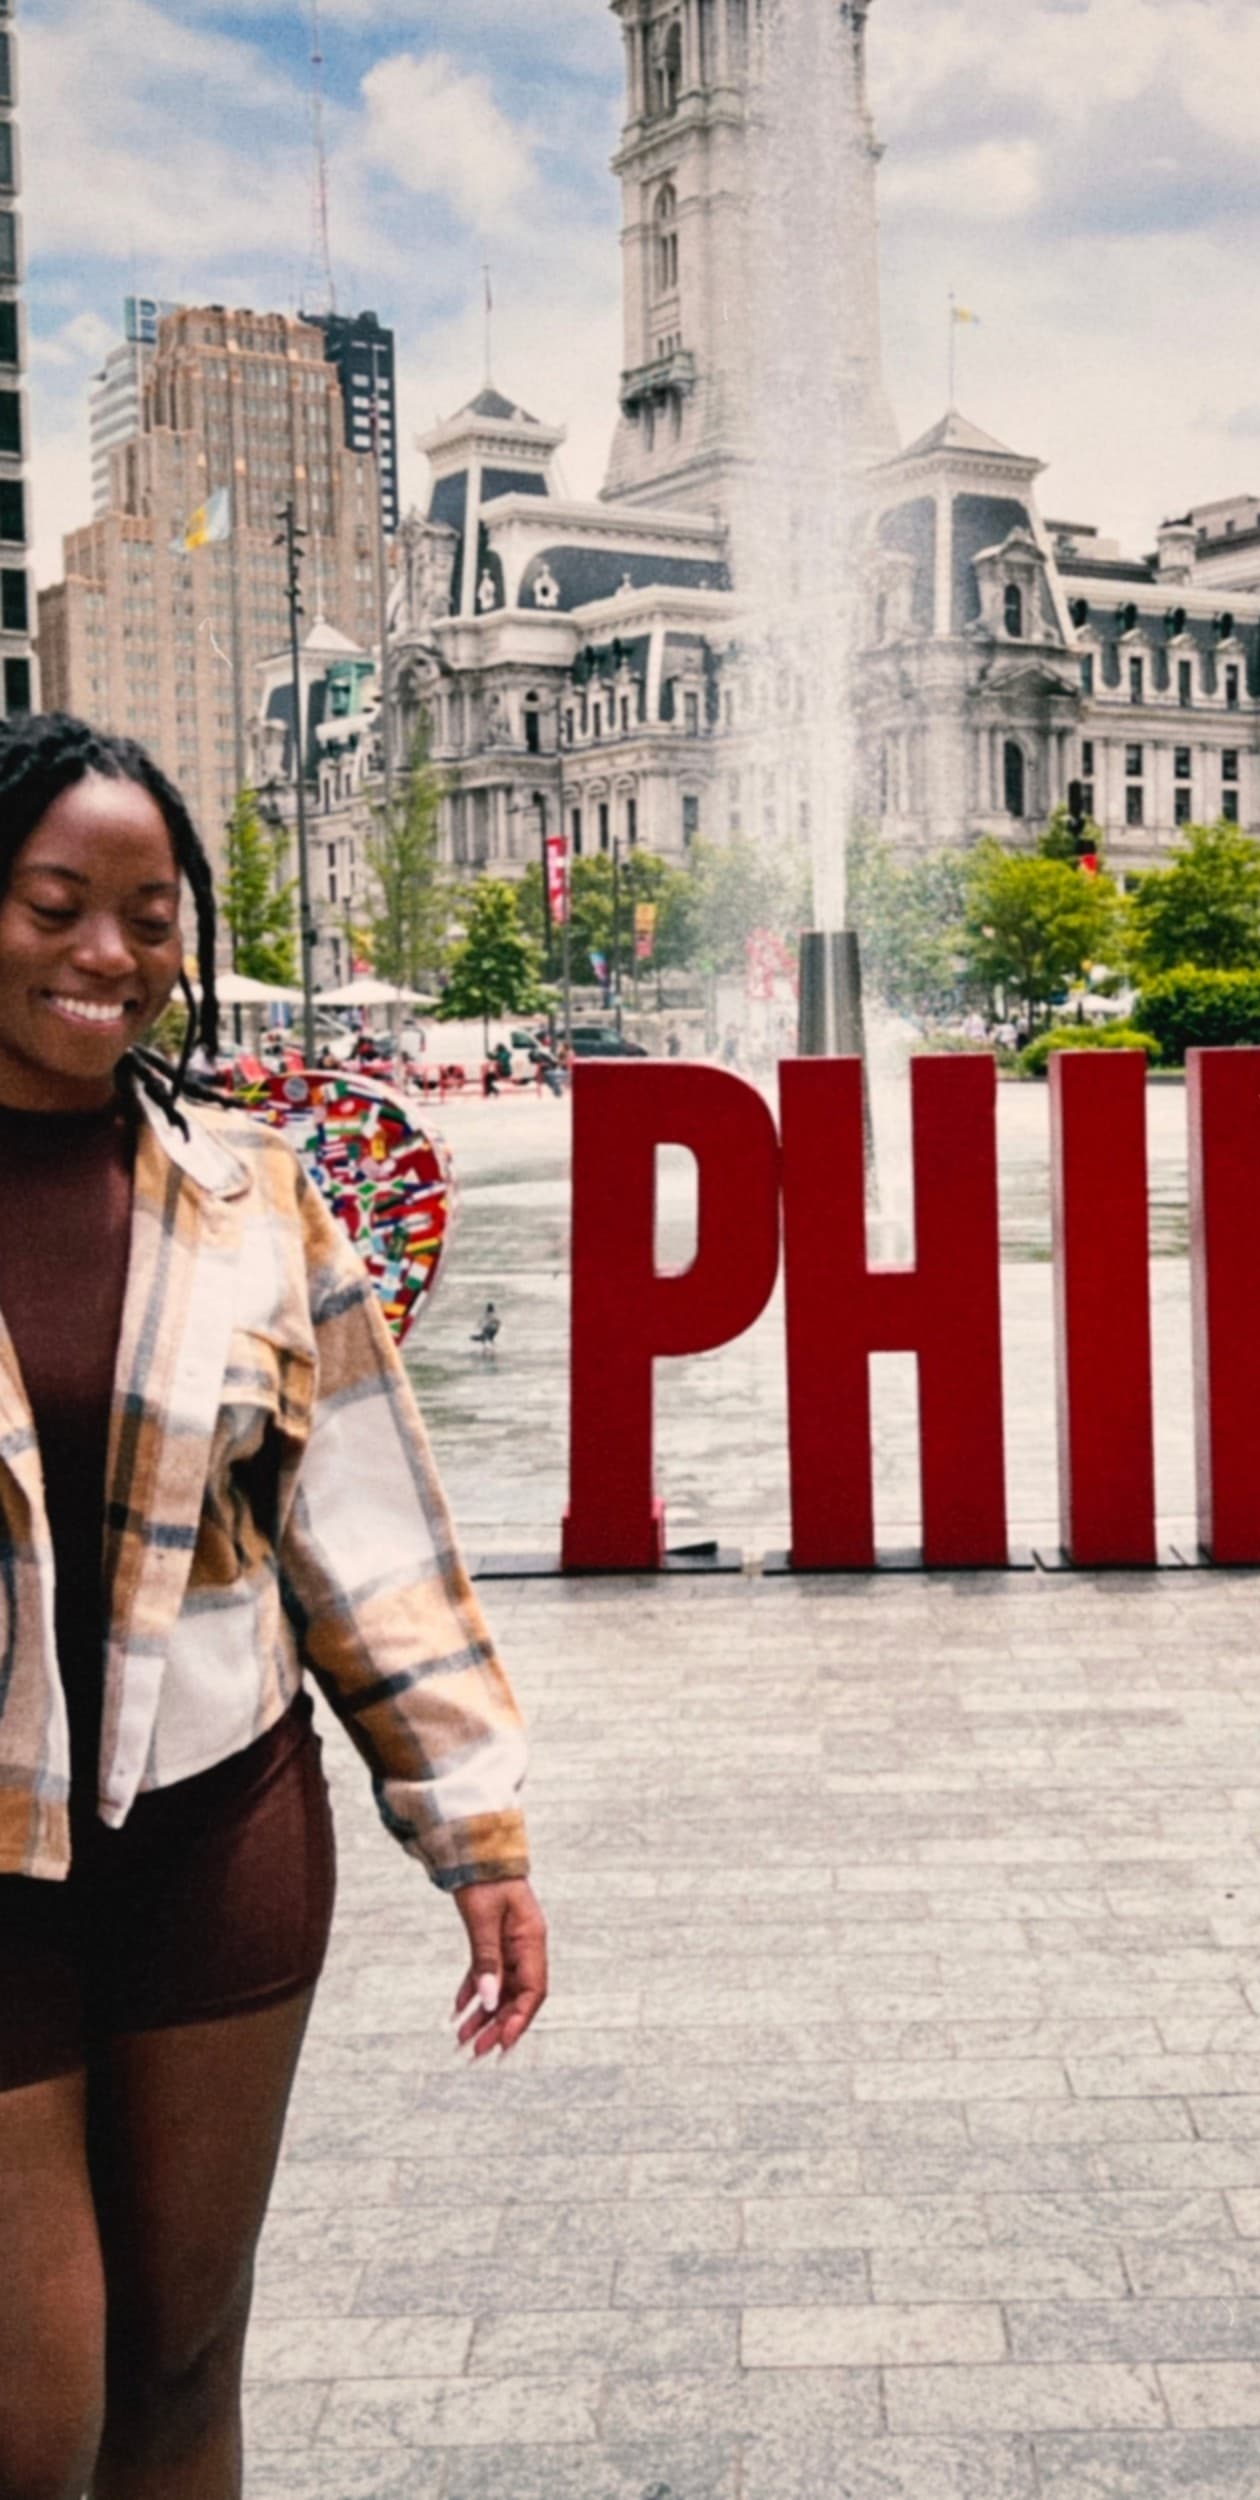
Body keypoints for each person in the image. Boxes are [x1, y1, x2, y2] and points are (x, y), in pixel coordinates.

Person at [0, 716, 546, 2500]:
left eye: (152, 915)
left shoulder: (255, 1199)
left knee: (178, 2357)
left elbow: (364, 1537)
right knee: (30, 2412)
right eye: (55, 903)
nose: (109, 955)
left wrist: (479, 1832)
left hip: (216, 1834)